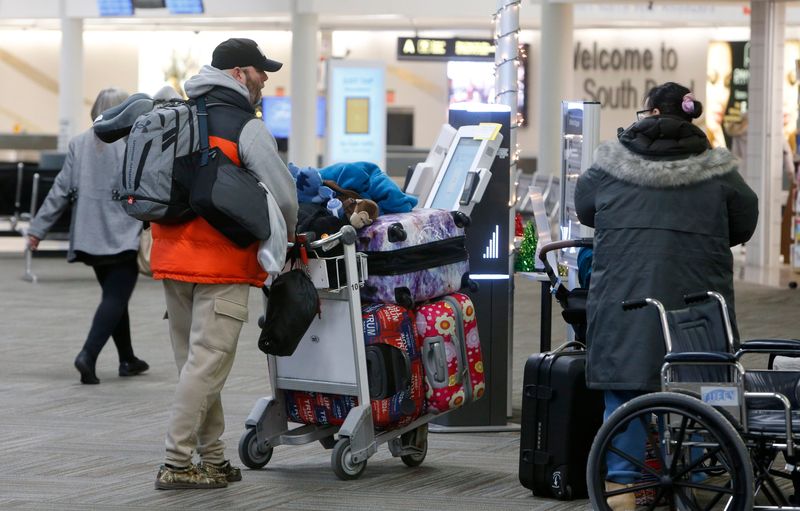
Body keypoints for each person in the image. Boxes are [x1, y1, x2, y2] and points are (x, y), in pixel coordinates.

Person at [574, 82, 759, 510]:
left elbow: (585, 209)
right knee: (699, 388)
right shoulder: (717, 166)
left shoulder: (609, 163)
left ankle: (620, 492)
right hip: (697, 297)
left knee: (627, 387)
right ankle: (697, 485)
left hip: (627, 293)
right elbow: (744, 220)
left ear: (650, 111)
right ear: (689, 116)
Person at [151, 38, 298, 490]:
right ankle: (177, 462)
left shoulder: (178, 115)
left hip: (171, 257)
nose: (265, 79)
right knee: (207, 364)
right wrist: (289, 239)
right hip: (221, 263)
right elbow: (285, 194)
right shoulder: (245, 125)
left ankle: (211, 458)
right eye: (259, 70)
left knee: (195, 366)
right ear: (238, 73)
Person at [27, 88, 149, 385]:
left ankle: (127, 359)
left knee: (114, 297)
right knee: (115, 297)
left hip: (90, 233)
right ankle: (88, 355)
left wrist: (37, 229)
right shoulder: (133, 143)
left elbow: (60, 189)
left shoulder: (79, 142)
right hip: (123, 233)